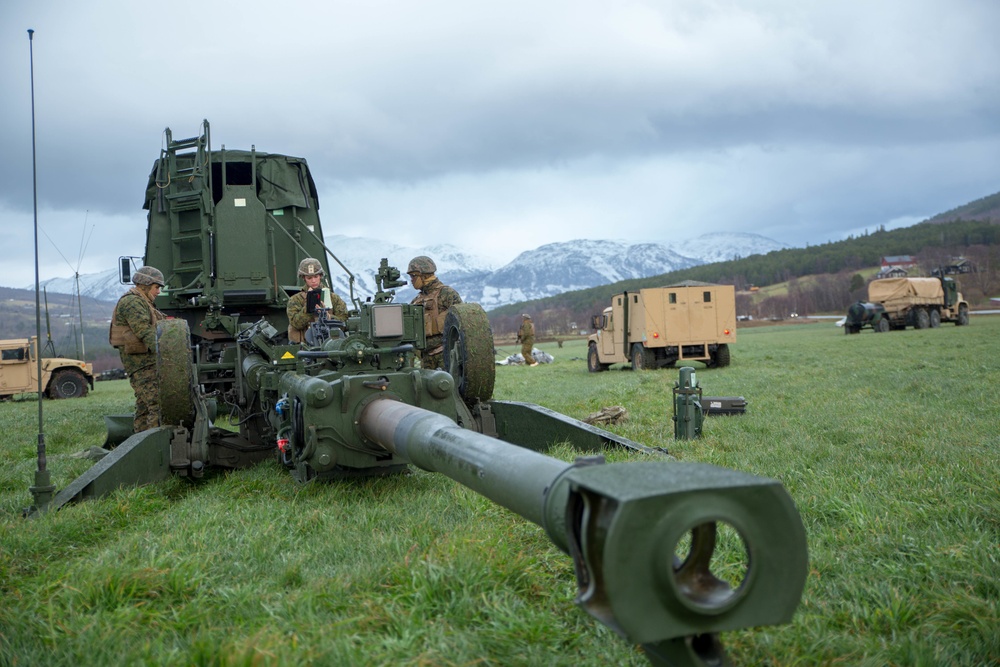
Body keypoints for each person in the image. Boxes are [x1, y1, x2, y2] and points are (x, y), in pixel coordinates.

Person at [109, 265, 167, 433]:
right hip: (142, 364)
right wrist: (167, 354)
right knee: (157, 403)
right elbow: (145, 331)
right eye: (157, 287)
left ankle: (140, 441)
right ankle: (155, 444)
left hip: (146, 363)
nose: (158, 292)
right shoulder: (132, 302)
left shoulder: (143, 302)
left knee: (144, 407)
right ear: (145, 284)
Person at [407, 255, 462, 370]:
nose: (411, 280)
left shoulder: (447, 294)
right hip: (425, 358)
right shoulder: (416, 301)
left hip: (445, 354)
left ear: (424, 275)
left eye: (413, 276)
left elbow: (462, 323)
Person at [287, 257, 348, 343]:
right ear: (304, 278)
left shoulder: (333, 298)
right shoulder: (295, 300)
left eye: (316, 276)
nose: (313, 281)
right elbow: (295, 324)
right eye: (309, 278)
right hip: (304, 347)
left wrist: (329, 318)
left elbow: (344, 322)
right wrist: (308, 308)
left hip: (331, 345)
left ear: (320, 276)